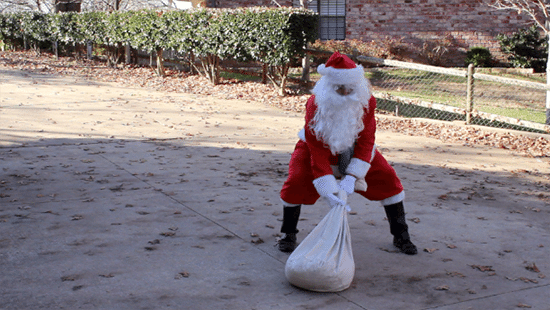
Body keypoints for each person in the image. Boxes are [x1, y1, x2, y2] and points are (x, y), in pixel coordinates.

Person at [278, 51, 417, 255]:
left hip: (355, 149)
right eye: (339, 89)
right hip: (316, 148)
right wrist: (327, 187)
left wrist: (353, 176)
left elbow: (367, 138)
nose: (344, 94)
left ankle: (401, 236)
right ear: (328, 87)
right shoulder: (314, 104)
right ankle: (287, 234)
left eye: (349, 89)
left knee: (387, 179)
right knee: (297, 180)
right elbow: (316, 147)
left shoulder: (367, 101)